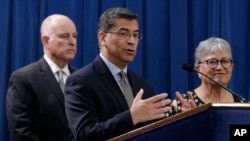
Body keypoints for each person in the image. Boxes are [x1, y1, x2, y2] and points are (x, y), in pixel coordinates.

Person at [64, 7, 178, 141]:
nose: (131, 41)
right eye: (123, 34)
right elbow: (84, 135)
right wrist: (132, 117)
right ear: (102, 38)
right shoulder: (81, 81)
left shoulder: (143, 86)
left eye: (135, 35)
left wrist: (182, 116)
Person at [6, 14, 78, 141]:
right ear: (46, 40)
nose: (72, 42)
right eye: (64, 36)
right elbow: (21, 131)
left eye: (74, 36)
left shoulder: (80, 78)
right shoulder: (24, 78)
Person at [172, 37, 248, 113]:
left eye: (225, 61)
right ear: (198, 69)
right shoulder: (180, 105)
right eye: (212, 62)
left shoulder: (244, 106)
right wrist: (189, 120)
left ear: (232, 67)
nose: (219, 67)